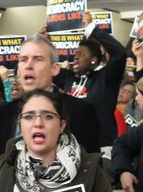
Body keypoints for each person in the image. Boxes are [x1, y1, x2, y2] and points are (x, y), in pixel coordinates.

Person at [0, 33, 100, 159]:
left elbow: (91, 168)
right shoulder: (3, 113)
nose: (29, 65)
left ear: (55, 69)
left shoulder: (81, 111)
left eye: (38, 59)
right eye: (23, 59)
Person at [53, 11, 126, 154]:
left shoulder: (105, 78)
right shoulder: (68, 78)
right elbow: (45, 68)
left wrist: (92, 29)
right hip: (70, 147)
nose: (75, 57)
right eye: (75, 53)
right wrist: (42, 38)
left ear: (93, 59)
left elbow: (120, 53)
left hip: (101, 148)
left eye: (81, 54)